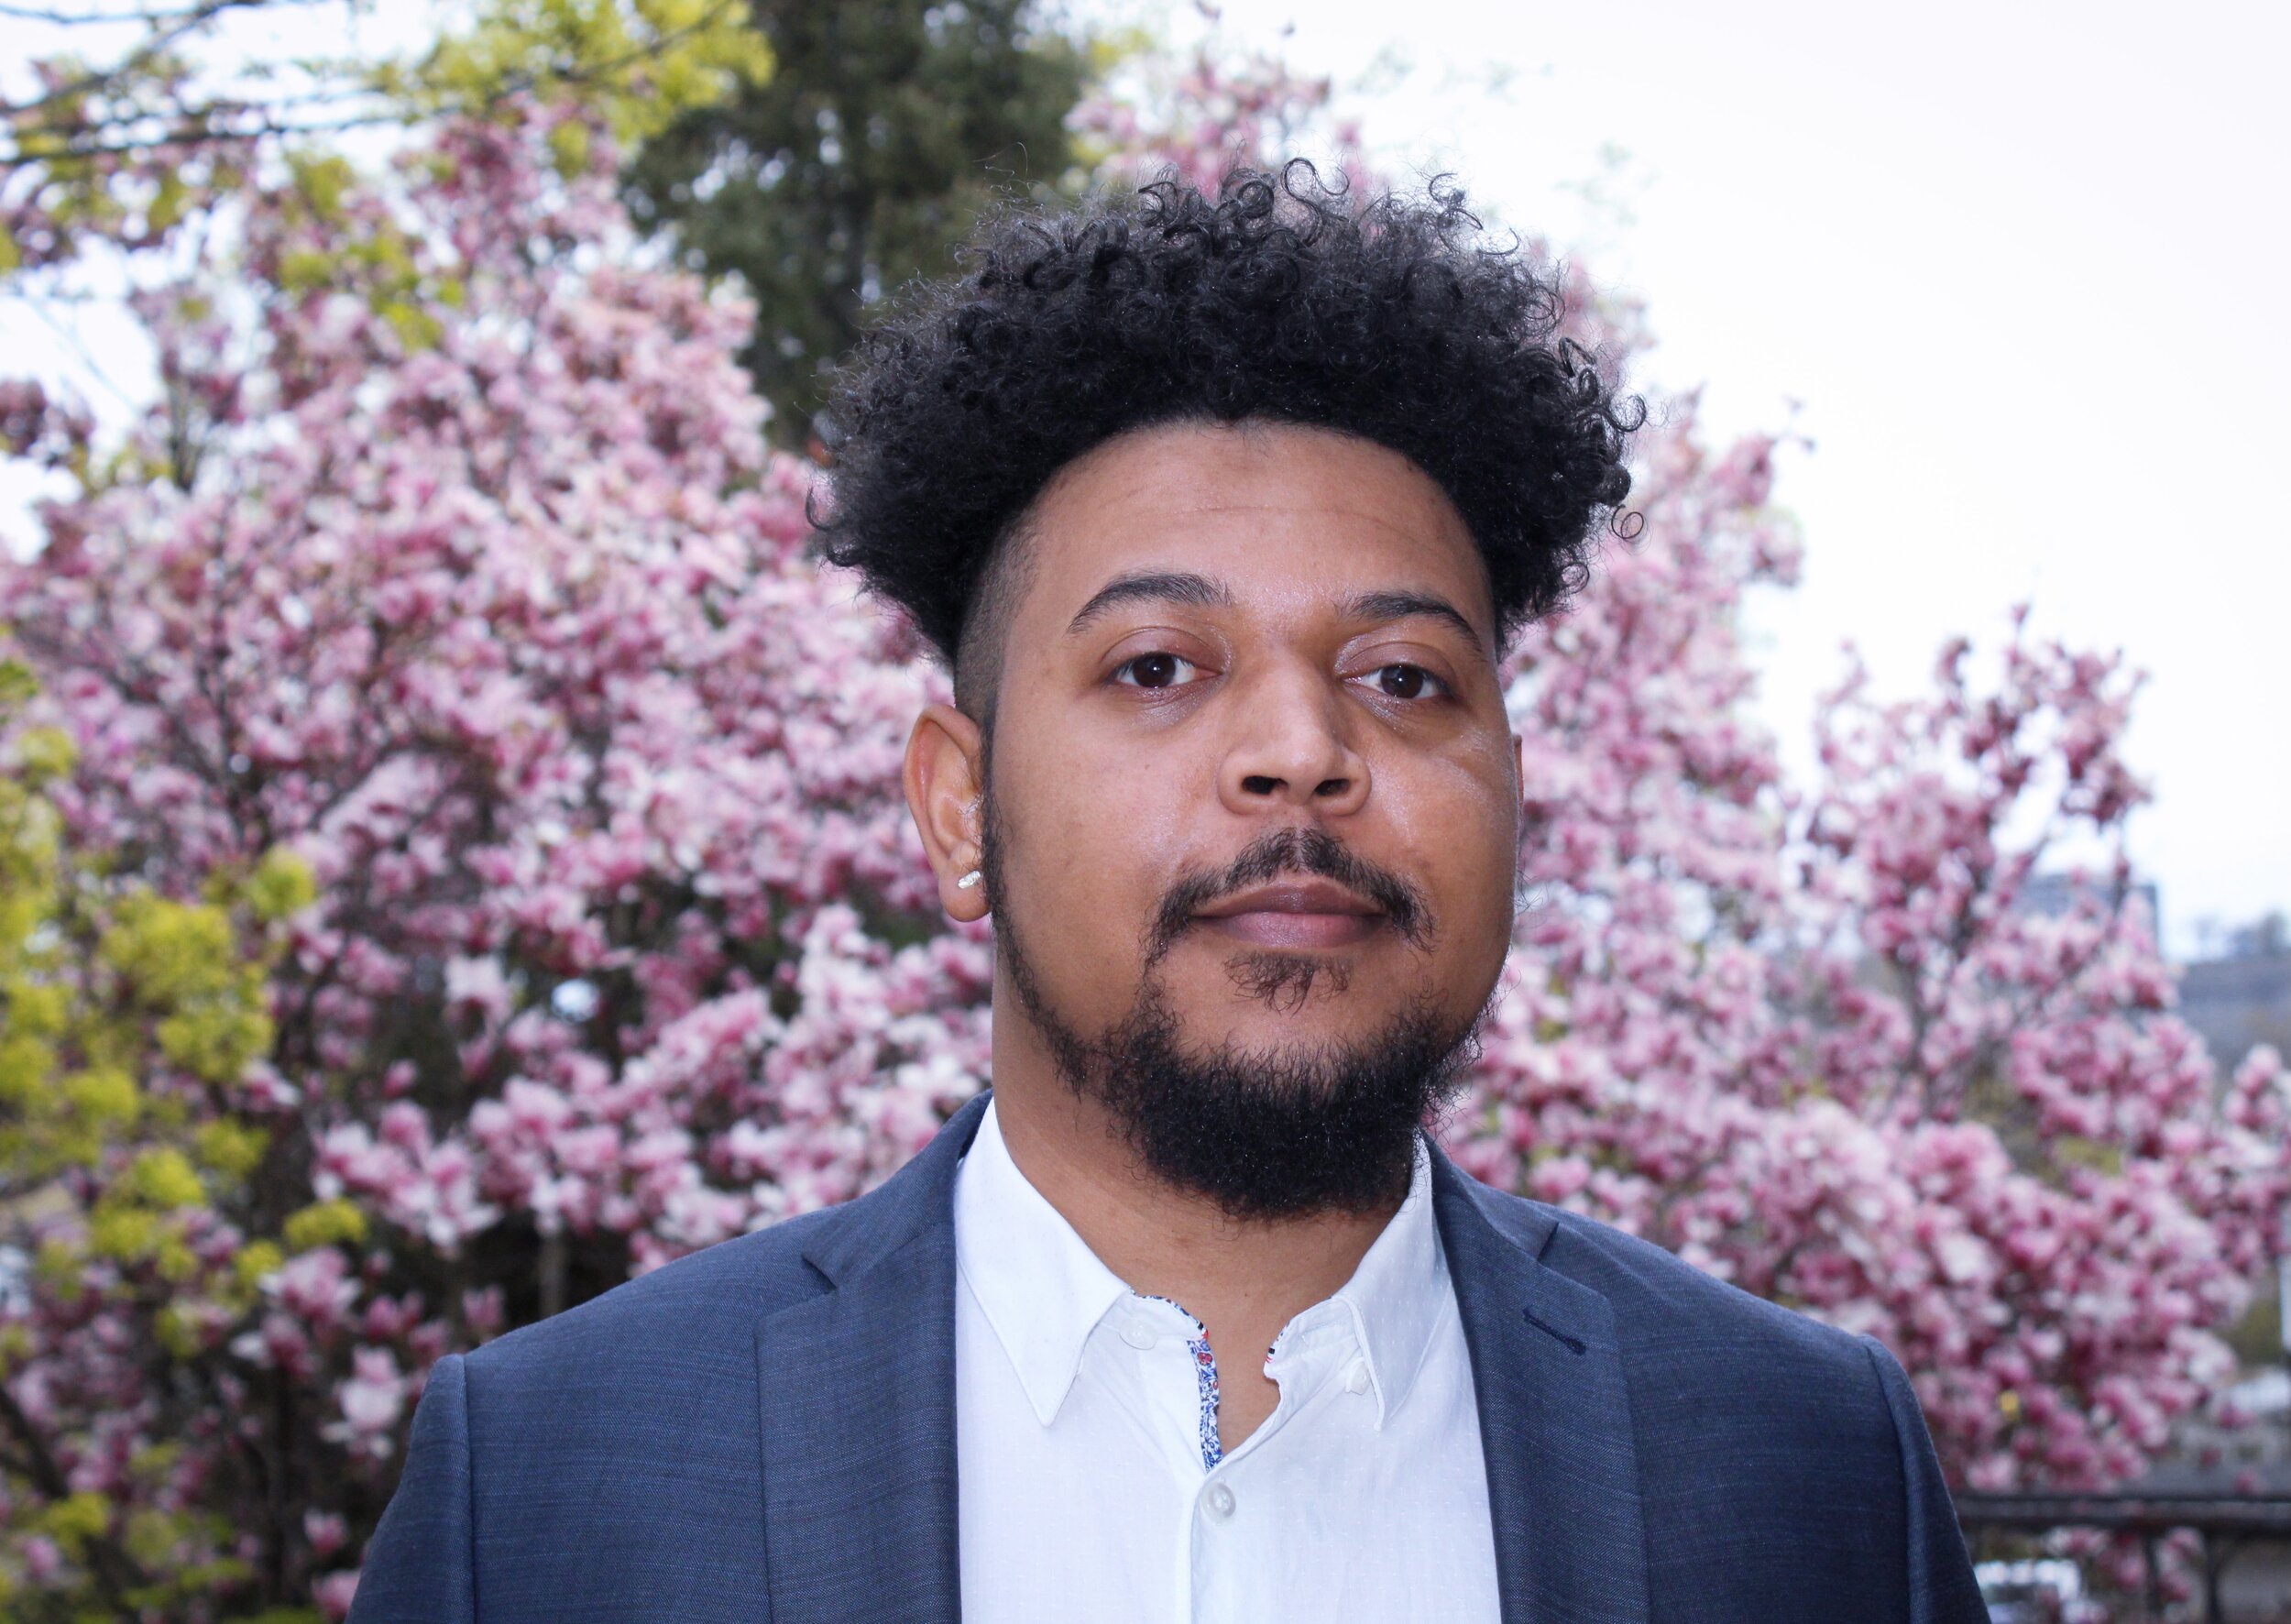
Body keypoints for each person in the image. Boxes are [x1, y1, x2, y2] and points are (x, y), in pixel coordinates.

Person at [348, 163, 1990, 1624]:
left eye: (1408, 678)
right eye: (1156, 666)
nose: (1302, 752)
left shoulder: (1806, 1465)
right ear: (955, 808)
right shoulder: (556, 1481)